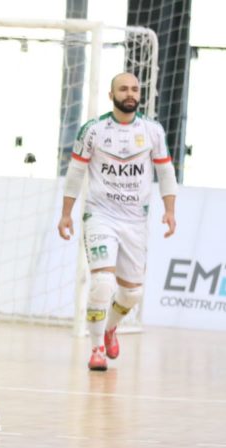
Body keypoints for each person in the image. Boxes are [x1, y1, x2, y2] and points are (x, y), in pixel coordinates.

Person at [57, 72, 177, 371]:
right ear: (111, 95)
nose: (130, 93)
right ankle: (96, 348)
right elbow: (75, 172)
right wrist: (66, 213)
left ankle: (110, 327)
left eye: (134, 89)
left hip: (135, 220)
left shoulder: (152, 131)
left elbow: (165, 173)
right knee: (101, 282)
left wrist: (170, 210)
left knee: (132, 293)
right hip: (100, 215)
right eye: (123, 89)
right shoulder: (93, 130)